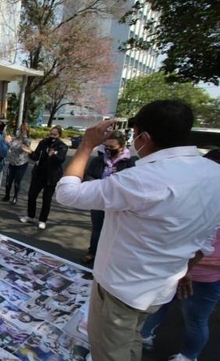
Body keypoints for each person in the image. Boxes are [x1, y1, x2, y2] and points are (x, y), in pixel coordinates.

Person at [54, 100, 220, 361]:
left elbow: (66, 193)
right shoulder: (214, 173)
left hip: (121, 289)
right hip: (160, 288)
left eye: (134, 135)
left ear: (143, 137)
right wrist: (188, 267)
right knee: (131, 339)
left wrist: (86, 145)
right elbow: (209, 233)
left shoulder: (141, 179)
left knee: (110, 350)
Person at [140, 149, 220, 361]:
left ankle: (188, 356)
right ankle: (144, 335)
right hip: (174, 267)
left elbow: (206, 242)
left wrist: (191, 268)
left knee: (195, 319)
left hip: (203, 274)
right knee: (158, 305)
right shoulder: (194, 195)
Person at [81, 130, 137, 264]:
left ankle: (111, 256)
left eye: (112, 147)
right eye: (106, 146)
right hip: (100, 199)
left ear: (122, 147)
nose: (108, 150)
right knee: (97, 228)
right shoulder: (98, 160)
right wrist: (93, 182)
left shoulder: (131, 162)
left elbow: (134, 182)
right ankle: (92, 252)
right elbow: (88, 175)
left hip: (120, 202)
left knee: (117, 231)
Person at [19, 125, 68, 230]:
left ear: (59, 135)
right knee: (32, 195)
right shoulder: (43, 142)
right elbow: (36, 156)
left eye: (54, 135)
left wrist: (53, 155)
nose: (52, 136)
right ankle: (30, 216)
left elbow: (61, 159)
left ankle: (42, 220)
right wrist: (30, 152)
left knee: (46, 199)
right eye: (51, 134)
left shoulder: (62, 146)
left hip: (51, 176)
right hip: (39, 173)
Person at [2, 122, 31, 206]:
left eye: (23, 129)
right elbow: (7, 141)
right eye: (20, 129)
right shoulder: (15, 139)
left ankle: (15, 197)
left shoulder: (27, 140)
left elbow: (27, 144)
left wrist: (24, 134)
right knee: (8, 181)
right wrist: (5, 131)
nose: (20, 131)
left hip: (21, 164)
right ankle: (7, 196)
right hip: (12, 163)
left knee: (17, 182)